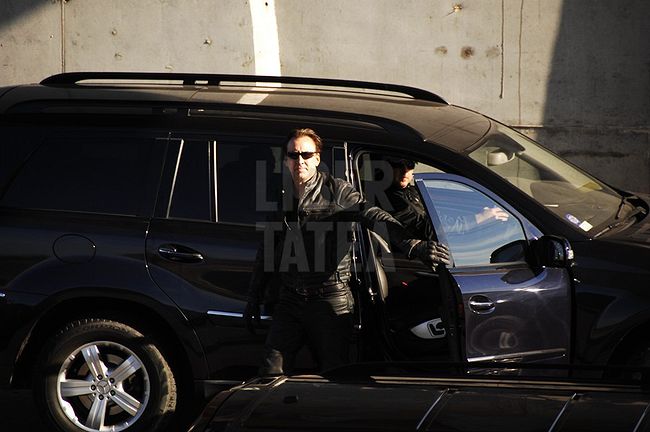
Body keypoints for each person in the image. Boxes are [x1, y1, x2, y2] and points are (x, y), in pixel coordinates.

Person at [243, 128, 451, 375]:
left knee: (335, 372)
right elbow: (268, 248)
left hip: (329, 299)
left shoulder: (337, 191)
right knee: (270, 371)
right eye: (294, 155)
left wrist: (412, 245)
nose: (300, 161)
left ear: (317, 158)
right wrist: (254, 297)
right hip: (290, 299)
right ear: (286, 159)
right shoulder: (282, 194)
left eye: (306, 155)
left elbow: (372, 215)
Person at [385, 158, 509, 240]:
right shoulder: (392, 199)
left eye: (409, 165)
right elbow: (430, 230)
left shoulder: (411, 191)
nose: (405, 170)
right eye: (398, 165)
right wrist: (479, 218)